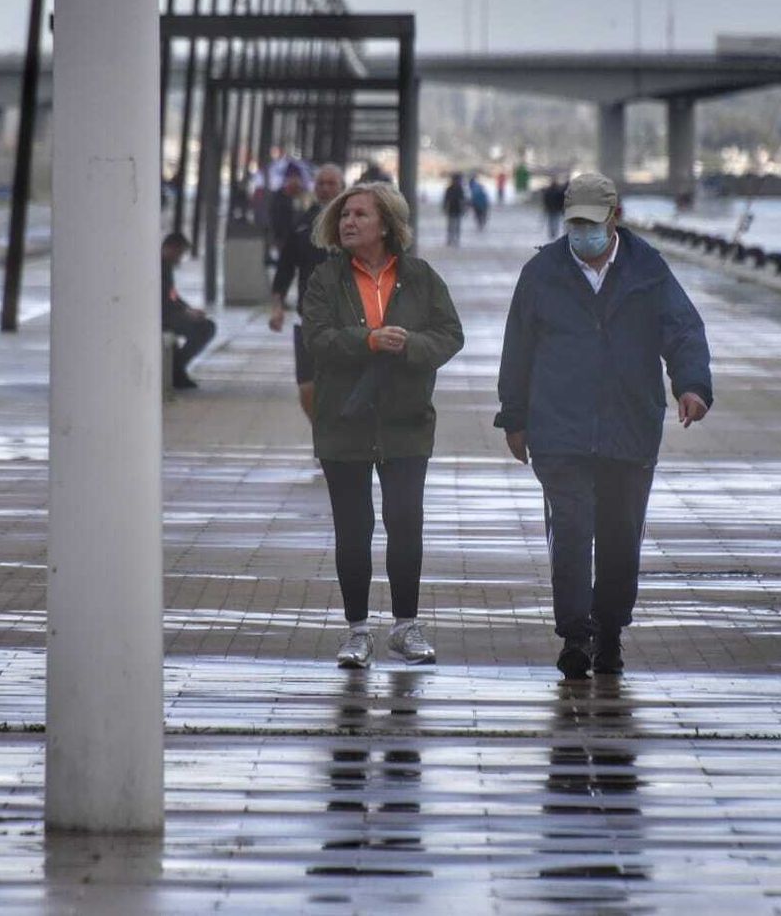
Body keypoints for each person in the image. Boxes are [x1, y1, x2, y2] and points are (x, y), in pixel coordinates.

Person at [495, 172, 712, 679]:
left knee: (619, 535)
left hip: (628, 427)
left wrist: (693, 387)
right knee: (571, 530)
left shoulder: (648, 270)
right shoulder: (542, 272)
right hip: (559, 430)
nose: (582, 232)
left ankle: (610, 631)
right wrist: (514, 417)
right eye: (574, 222)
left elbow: (682, 331)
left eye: (592, 223)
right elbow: (517, 350)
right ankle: (575, 635)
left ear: (615, 218)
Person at [303, 181, 465, 668]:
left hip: (406, 422)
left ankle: (405, 626)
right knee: (353, 529)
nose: (349, 222)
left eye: (360, 215)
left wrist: (409, 346)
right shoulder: (324, 280)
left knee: (405, 523)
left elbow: (449, 334)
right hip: (343, 422)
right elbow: (317, 338)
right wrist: (368, 341)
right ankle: (357, 631)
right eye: (344, 215)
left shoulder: (420, 277)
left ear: (387, 224)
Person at [271, 162, 343, 419]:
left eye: (331, 183)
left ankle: (336, 438)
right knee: (307, 387)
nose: (325, 188)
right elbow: (285, 268)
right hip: (309, 317)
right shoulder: (302, 224)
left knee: (341, 386)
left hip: (346, 319)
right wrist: (277, 306)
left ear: (342, 187)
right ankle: (321, 430)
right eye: (321, 183)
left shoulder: (354, 223)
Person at [161, 232, 217, 390]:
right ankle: (176, 369)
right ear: (170, 248)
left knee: (205, 325)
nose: (180, 258)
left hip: (169, 313)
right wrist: (186, 312)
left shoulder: (165, 266)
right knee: (204, 329)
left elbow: (171, 295)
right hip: (163, 316)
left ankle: (176, 369)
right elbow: (164, 300)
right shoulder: (159, 267)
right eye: (180, 253)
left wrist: (188, 309)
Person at [268, 161, 309, 256]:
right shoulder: (279, 197)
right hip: (283, 240)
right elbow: (275, 219)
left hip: (302, 241)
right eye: (292, 177)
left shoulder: (304, 196)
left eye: (297, 177)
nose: (294, 180)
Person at [442, 172, 466, 248]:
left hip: (457, 210)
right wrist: (445, 207)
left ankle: (455, 239)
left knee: (456, 226)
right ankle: (450, 239)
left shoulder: (460, 189)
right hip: (451, 209)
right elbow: (446, 200)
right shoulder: (450, 189)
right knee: (451, 226)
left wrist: (463, 209)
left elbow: (463, 201)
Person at [541, 174, 567, 240]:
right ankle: (554, 232)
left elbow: (546, 199)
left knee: (551, 221)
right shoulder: (559, 191)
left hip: (551, 208)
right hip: (557, 208)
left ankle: (552, 232)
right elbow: (561, 200)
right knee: (555, 221)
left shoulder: (548, 191)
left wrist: (546, 206)